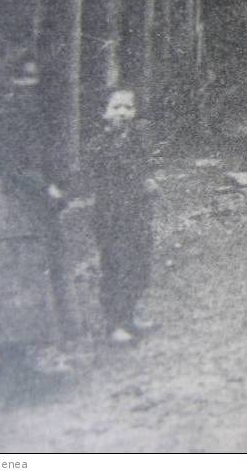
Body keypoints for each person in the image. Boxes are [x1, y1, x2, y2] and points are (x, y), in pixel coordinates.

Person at [0, 57, 70, 398]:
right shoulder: (3, 116)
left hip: (28, 205)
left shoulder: (32, 115)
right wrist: (46, 189)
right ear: (10, 81)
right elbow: (12, 167)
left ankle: (21, 366)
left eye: (34, 77)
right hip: (10, 206)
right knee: (8, 283)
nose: (29, 84)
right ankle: (8, 371)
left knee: (28, 284)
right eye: (22, 77)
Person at [84, 87, 157, 345]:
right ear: (104, 113)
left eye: (128, 107)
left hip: (138, 212)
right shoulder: (99, 145)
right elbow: (102, 176)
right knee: (116, 266)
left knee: (139, 265)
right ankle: (114, 323)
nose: (123, 113)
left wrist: (148, 181)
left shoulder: (138, 140)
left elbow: (145, 168)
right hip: (112, 216)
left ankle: (129, 316)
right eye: (116, 108)